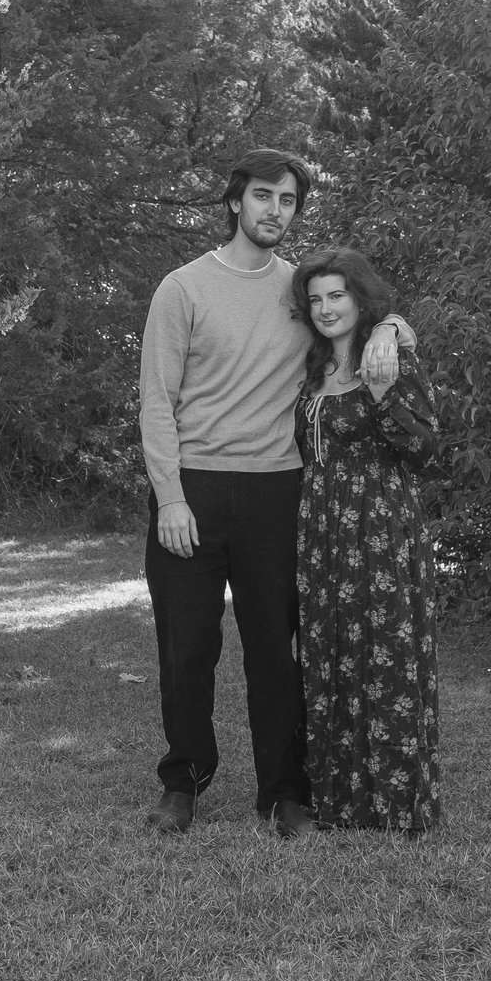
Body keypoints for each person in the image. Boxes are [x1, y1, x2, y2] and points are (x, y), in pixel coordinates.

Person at [138, 149, 410, 839]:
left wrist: (390, 328)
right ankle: (183, 782)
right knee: (187, 648)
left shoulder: (302, 289)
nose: (274, 211)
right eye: (263, 196)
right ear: (235, 201)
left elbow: (365, 313)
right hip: (192, 492)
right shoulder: (183, 288)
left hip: (279, 492)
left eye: (287, 201)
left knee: (276, 649)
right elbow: (157, 401)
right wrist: (169, 495)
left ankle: (284, 791)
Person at [291, 247, 440, 834]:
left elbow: (426, 450)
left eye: (337, 295)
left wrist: (381, 393)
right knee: (329, 658)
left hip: (380, 530)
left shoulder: (392, 357)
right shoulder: (311, 366)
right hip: (320, 532)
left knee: (388, 659)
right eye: (317, 299)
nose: (326, 308)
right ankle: (339, 800)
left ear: (361, 298)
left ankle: (398, 804)